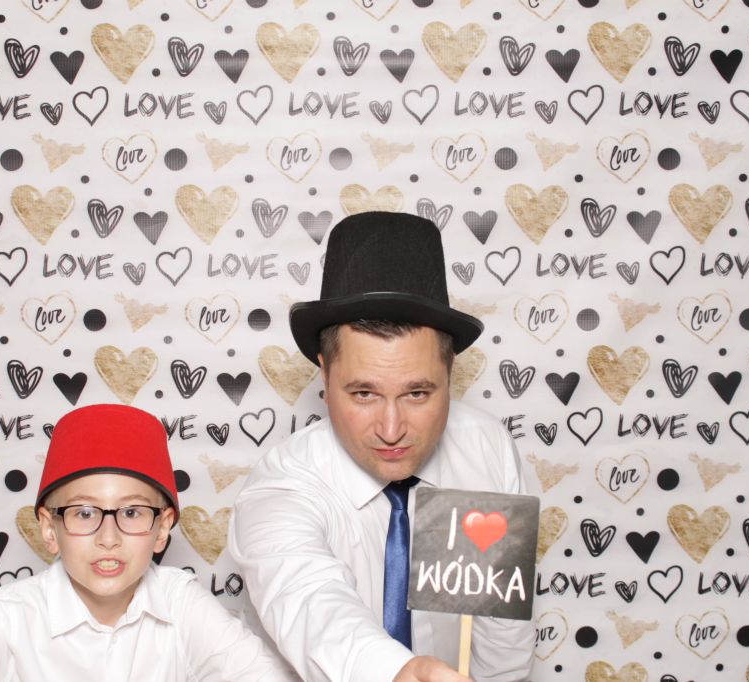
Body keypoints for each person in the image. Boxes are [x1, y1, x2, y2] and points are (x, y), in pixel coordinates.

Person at [229, 212, 534, 682]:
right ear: (324, 373)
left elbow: (500, 633)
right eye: (364, 394)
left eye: (418, 393)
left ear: (450, 373)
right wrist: (395, 671)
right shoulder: (284, 485)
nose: (391, 430)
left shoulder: (484, 450)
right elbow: (309, 599)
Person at [0, 403, 291, 681]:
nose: (109, 538)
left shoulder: (181, 602)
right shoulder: (13, 616)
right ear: (49, 529)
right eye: (85, 513)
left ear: (162, 528)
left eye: (132, 512)